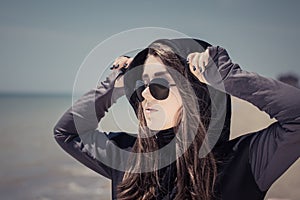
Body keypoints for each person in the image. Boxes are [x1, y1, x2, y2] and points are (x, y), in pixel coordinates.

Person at [54, 38, 300, 200]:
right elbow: (66, 133)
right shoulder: (128, 157)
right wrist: (115, 86)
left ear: (196, 92)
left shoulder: (243, 163)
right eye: (140, 85)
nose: (145, 96)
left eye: (159, 85)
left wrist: (229, 77)